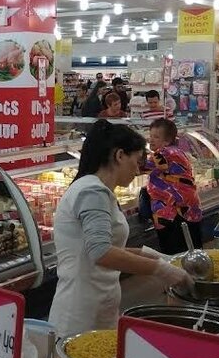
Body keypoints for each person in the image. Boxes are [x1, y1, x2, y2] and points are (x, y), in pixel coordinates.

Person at [47, 120, 193, 335]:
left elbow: (105, 246)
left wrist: (156, 257)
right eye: (136, 160)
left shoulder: (101, 191)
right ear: (120, 156)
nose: (138, 169)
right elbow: (101, 252)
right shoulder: (91, 192)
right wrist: (162, 270)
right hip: (80, 313)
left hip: (100, 305)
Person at [147, 119, 204, 254]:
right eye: (150, 136)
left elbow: (141, 166)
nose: (151, 140)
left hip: (172, 213)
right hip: (189, 210)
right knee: (193, 249)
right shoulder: (177, 151)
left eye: (156, 137)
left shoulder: (163, 153)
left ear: (167, 141)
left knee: (175, 253)